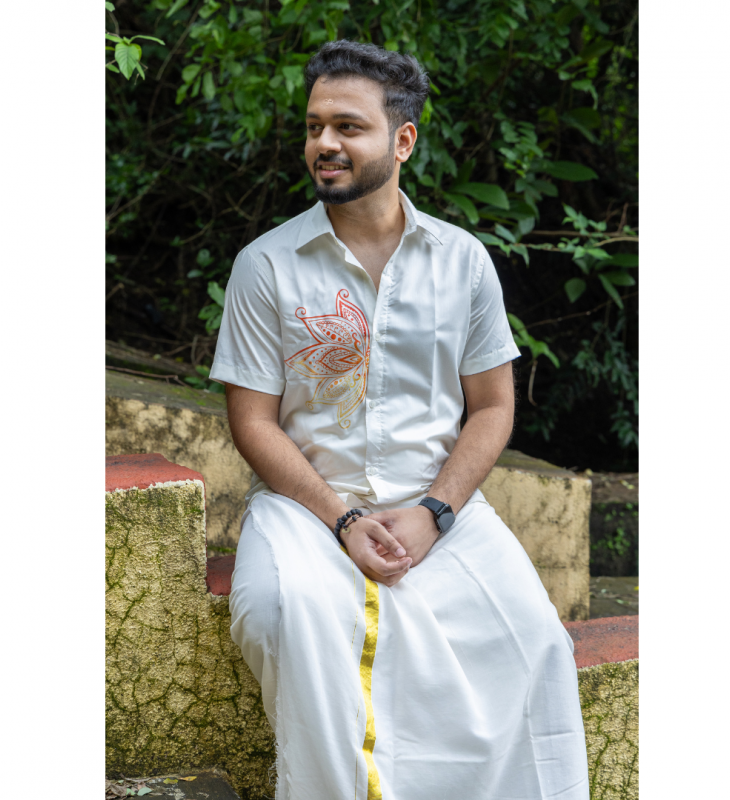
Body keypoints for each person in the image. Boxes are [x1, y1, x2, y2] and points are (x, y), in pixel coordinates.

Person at [211, 39, 589, 800]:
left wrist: (435, 511)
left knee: (537, 644)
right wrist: (343, 519)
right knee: (280, 611)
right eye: (314, 127)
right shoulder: (267, 264)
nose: (324, 143)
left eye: (348, 127)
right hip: (307, 511)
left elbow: (493, 407)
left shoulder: (462, 260)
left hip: (440, 506)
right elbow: (253, 422)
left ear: (403, 140)